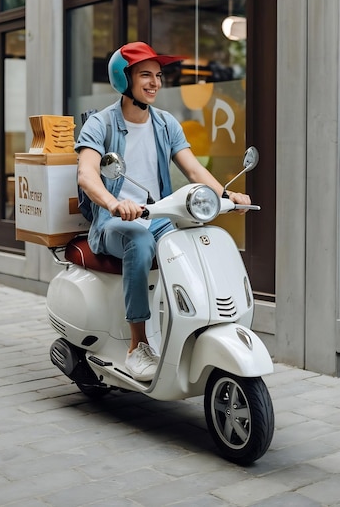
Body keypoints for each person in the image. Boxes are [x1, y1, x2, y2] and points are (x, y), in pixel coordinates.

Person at [75, 42, 251, 382]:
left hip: (157, 218)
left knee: (196, 243)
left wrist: (228, 195)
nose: (155, 82)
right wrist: (114, 204)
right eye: (145, 75)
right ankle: (137, 346)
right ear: (123, 80)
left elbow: (194, 171)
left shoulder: (165, 123)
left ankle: (196, 329)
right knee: (139, 241)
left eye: (158, 75)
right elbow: (86, 173)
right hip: (114, 223)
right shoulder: (100, 124)